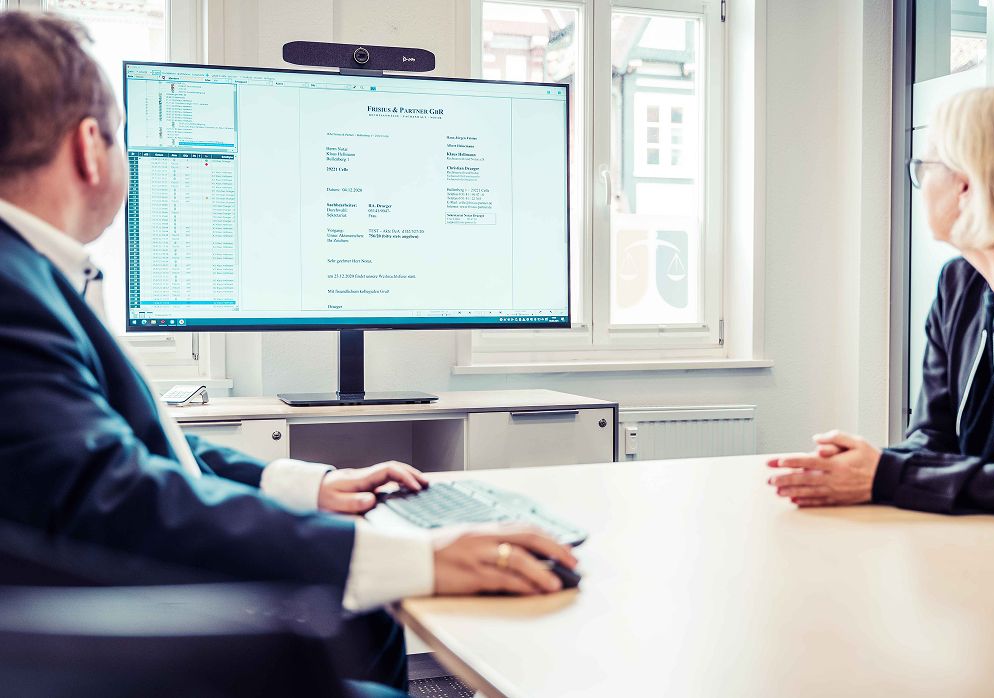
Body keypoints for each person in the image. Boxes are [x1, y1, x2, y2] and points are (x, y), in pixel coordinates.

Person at [0, 11, 577, 697]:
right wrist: (414, 557)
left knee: (367, 621)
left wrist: (302, 485)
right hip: (132, 642)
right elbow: (107, 495)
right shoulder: (13, 289)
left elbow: (114, 455)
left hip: (101, 611)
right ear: (90, 148)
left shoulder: (29, 272)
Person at [768, 85, 994, 517]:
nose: (918, 183)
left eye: (926, 165)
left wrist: (885, 475)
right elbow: (931, 437)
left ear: (967, 184)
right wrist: (860, 468)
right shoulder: (958, 284)